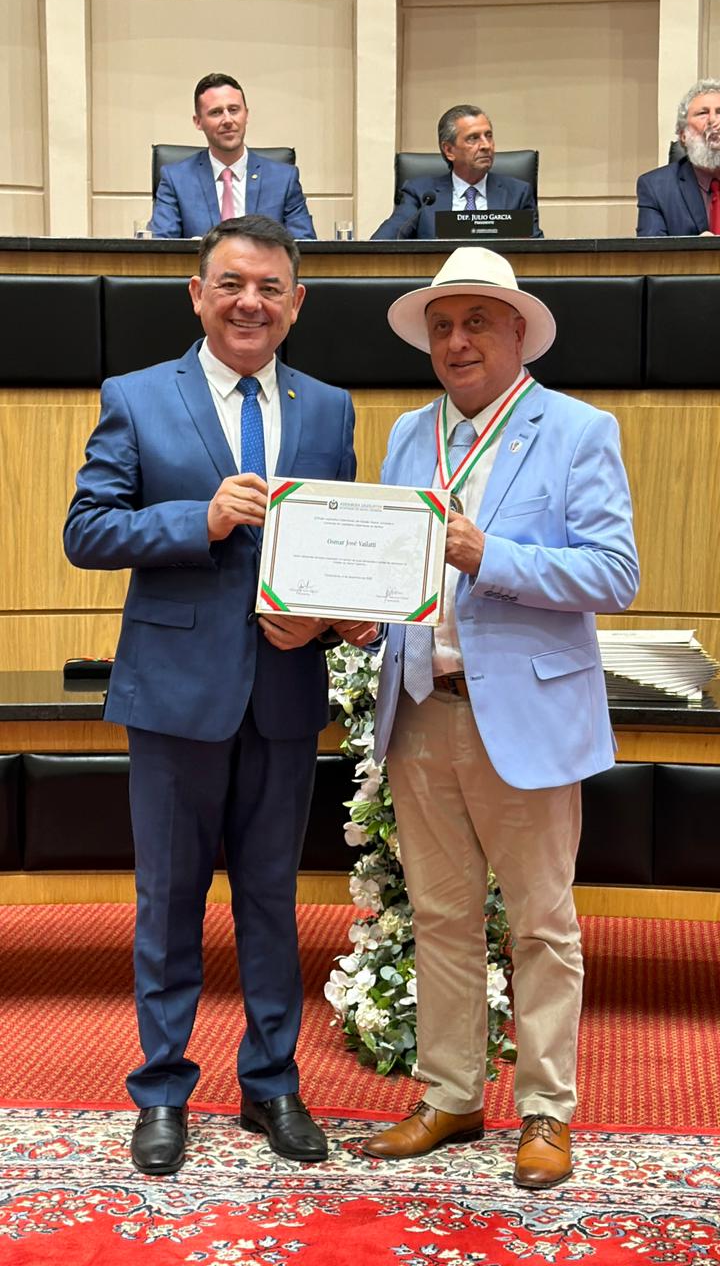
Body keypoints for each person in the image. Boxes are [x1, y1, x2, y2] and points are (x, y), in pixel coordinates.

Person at [64, 215, 372, 1175]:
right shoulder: (137, 397)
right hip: (171, 695)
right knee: (169, 902)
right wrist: (192, 519)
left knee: (274, 901)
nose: (251, 302)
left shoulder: (328, 409)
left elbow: (346, 551)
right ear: (198, 293)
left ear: (296, 304)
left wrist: (329, 620)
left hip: (283, 693)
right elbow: (88, 529)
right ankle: (161, 1090)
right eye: (232, 284)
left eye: (270, 288)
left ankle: (271, 1082)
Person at [363, 246, 639, 1188]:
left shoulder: (577, 429)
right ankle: (448, 1096)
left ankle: (546, 1110)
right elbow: (398, 569)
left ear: (519, 331)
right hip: (420, 709)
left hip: (522, 715)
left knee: (542, 925)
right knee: (438, 917)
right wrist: (366, 611)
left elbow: (615, 573)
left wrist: (495, 554)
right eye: (441, 325)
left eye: (477, 320)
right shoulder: (406, 433)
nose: (456, 339)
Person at [150, 73, 316, 240]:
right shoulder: (176, 180)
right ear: (198, 122)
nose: (228, 120)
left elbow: (305, 248)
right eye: (216, 112)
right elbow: (160, 249)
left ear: (246, 114)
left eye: (234, 110)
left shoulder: (283, 179)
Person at [371, 104, 542, 239]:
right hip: (438, 280)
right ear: (449, 150)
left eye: (488, 136)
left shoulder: (517, 194)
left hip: (495, 281)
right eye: (473, 138)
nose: (486, 145)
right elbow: (383, 243)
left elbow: (539, 254)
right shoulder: (421, 195)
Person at [636, 78, 720, 236]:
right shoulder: (656, 188)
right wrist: (697, 253)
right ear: (683, 135)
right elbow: (652, 257)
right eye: (703, 113)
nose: (713, 121)